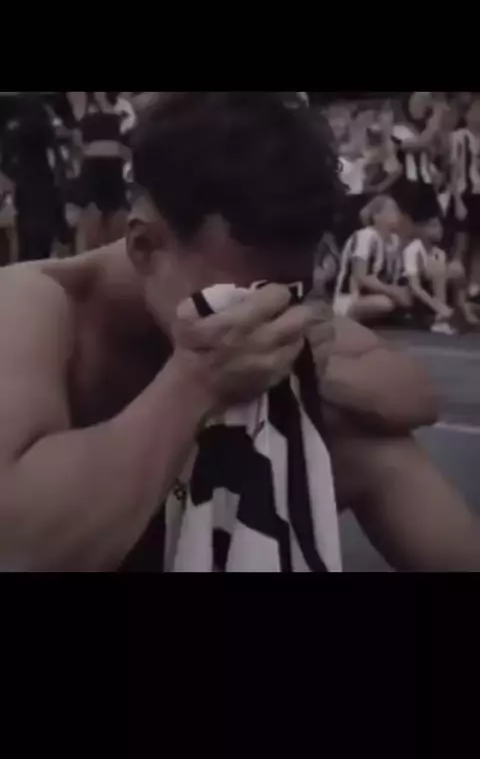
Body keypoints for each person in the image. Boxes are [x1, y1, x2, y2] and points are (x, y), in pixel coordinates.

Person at [1, 92, 480, 572]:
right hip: (88, 541)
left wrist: (310, 363)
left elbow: (416, 400)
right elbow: (18, 541)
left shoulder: (261, 286)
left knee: (374, 448)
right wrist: (194, 380)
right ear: (145, 246)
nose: (258, 315)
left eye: (283, 292)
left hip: (188, 522)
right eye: (238, 299)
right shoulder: (33, 304)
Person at [0, 95, 63, 262]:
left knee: (29, 236)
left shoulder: (16, 129)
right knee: (38, 236)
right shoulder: (40, 125)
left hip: (27, 184)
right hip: (38, 183)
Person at [399, 206, 477, 333]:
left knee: (456, 270)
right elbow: (415, 287)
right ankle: (440, 318)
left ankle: (463, 309)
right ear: (422, 229)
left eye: (440, 226)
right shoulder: (413, 250)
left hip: (430, 287)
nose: (439, 230)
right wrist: (439, 307)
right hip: (411, 287)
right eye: (434, 226)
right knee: (437, 268)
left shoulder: (439, 253)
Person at [68, 91, 130, 253]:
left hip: (114, 169)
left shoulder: (118, 100)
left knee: (118, 234)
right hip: (93, 170)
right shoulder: (81, 99)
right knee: (92, 234)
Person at [333, 194, 407, 323]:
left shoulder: (395, 241)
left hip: (379, 294)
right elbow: (360, 276)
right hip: (351, 297)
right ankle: (349, 316)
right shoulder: (366, 236)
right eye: (391, 210)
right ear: (376, 216)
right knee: (385, 303)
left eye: (397, 210)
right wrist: (393, 291)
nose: (397, 214)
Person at [449, 97, 480, 301]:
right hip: (463, 195)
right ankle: (457, 294)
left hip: (478, 194)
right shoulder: (459, 137)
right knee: (461, 245)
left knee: (478, 244)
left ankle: (474, 287)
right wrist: (458, 200)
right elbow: (453, 171)